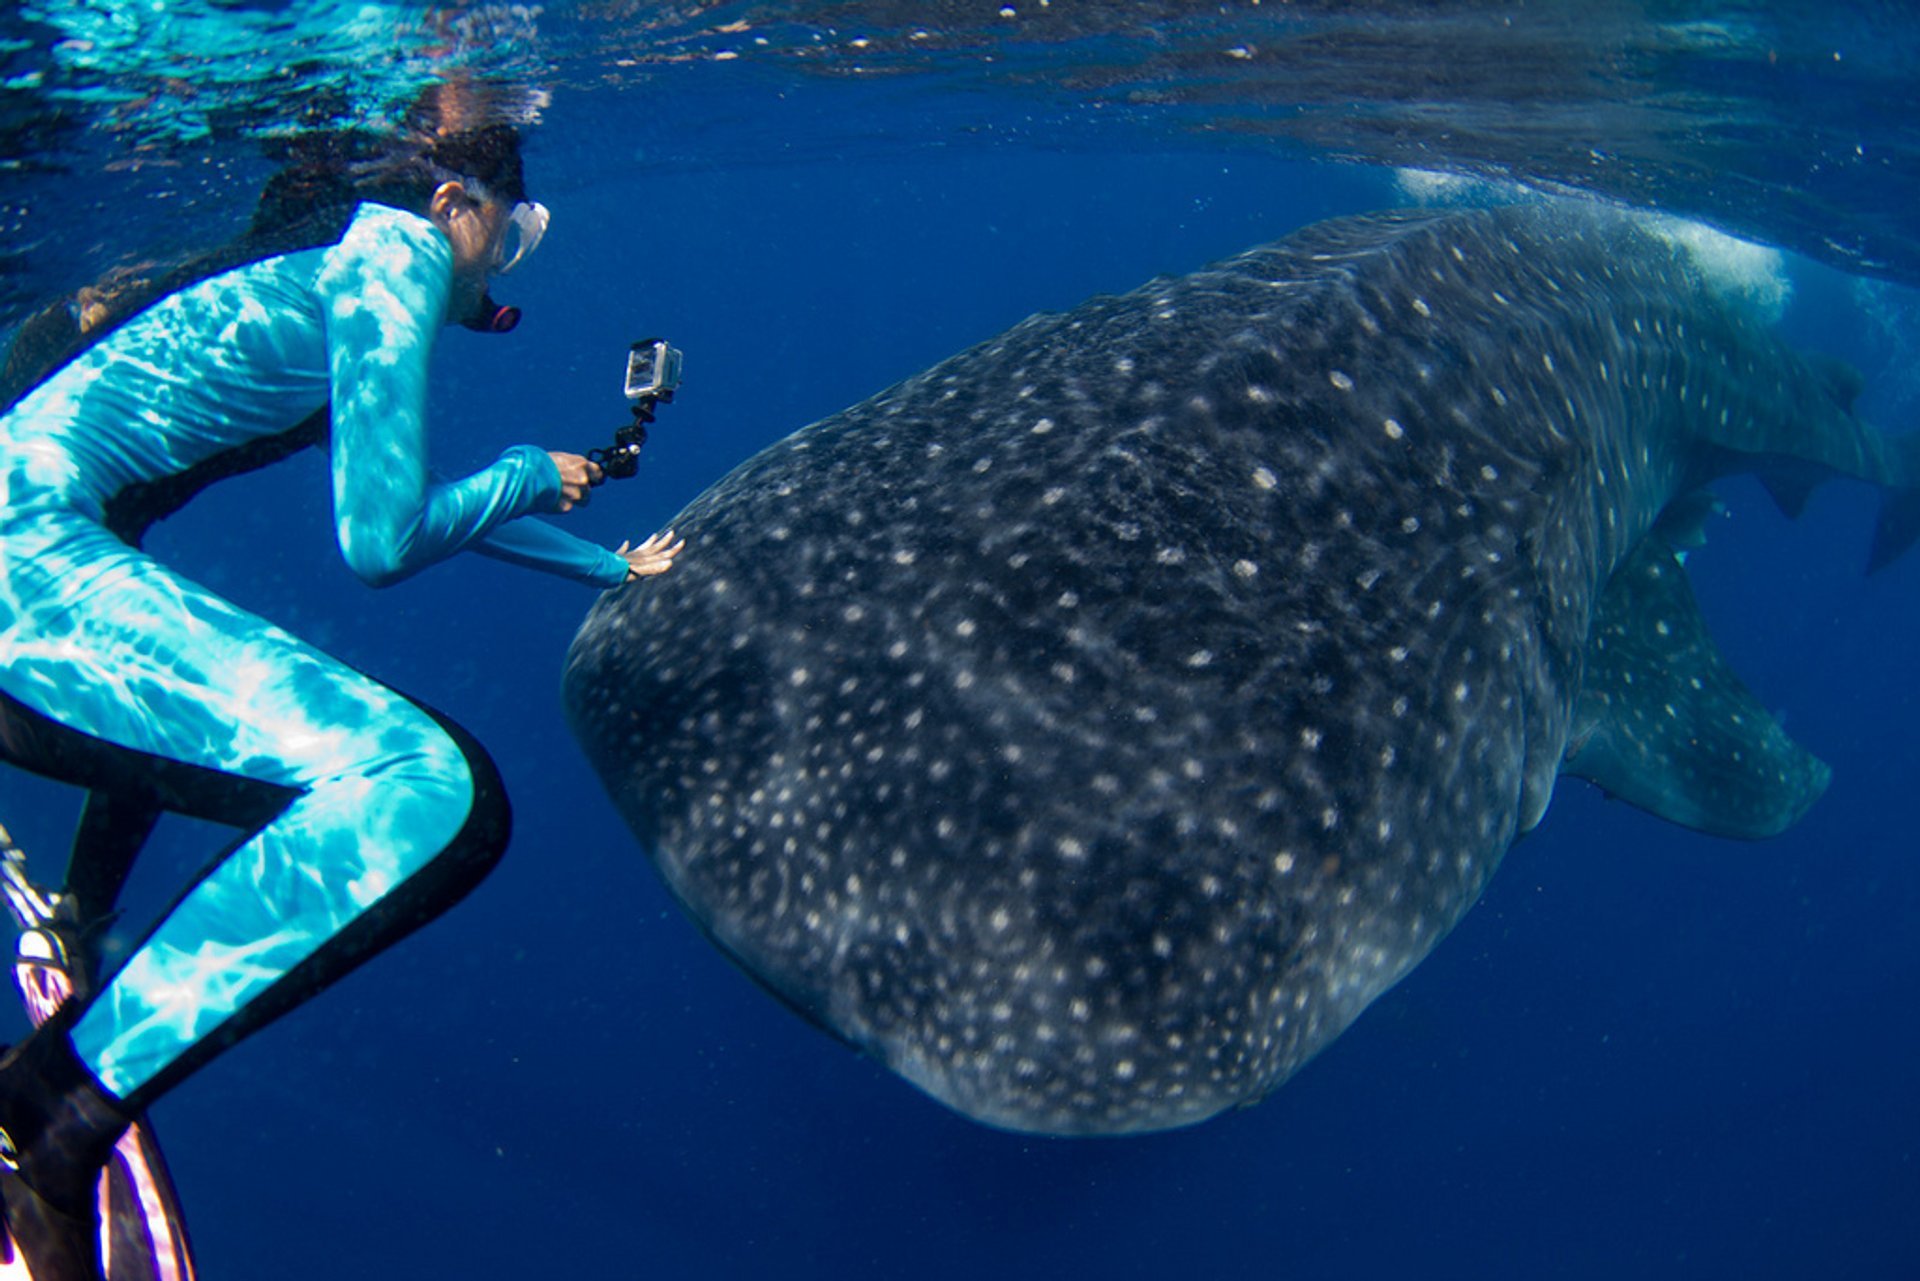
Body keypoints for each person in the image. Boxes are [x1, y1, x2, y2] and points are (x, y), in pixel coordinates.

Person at [0, 110, 681, 1278]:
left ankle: (80, 916)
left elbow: (427, 507)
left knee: (217, 696)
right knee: (424, 791)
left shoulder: (339, 265)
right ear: (454, 204)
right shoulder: (393, 256)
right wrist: (525, 469)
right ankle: (49, 1117)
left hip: (38, 559)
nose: (500, 269)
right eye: (510, 238)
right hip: (24, 572)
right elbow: (383, 540)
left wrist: (606, 567)